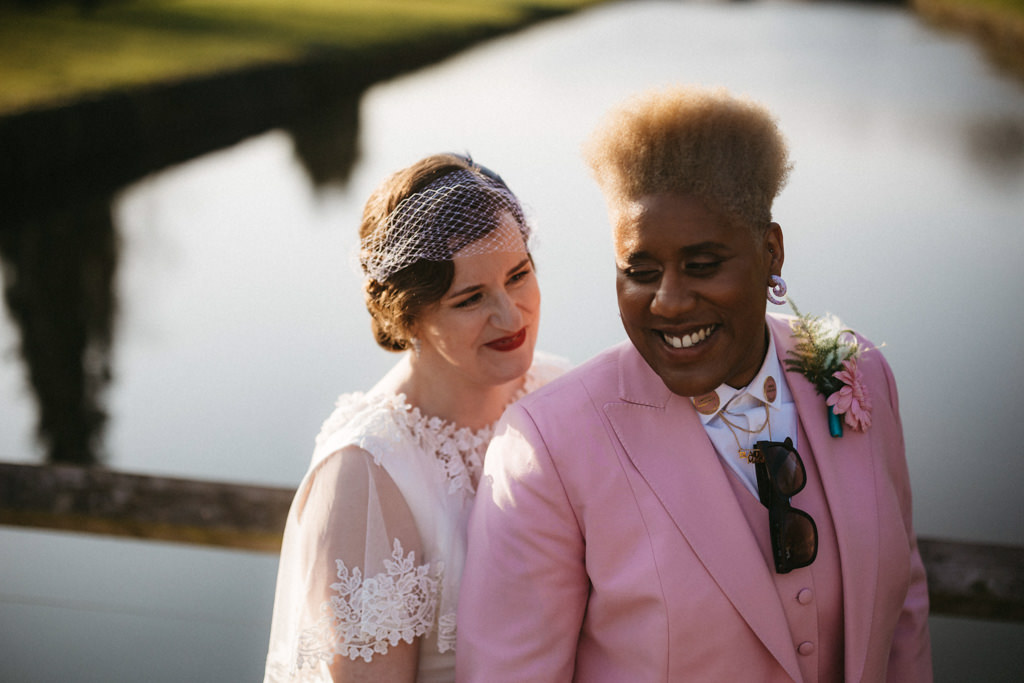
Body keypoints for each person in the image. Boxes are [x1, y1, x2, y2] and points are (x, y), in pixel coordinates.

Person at [456, 87, 933, 682]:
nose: (670, 302)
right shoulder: (548, 447)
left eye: (703, 266)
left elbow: (903, 607)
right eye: (640, 271)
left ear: (771, 252)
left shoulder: (857, 373)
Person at [264, 152, 565, 683]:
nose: (510, 315)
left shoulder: (559, 390)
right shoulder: (366, 475)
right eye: (470, 298)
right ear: (411, 317)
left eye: (518, 275)